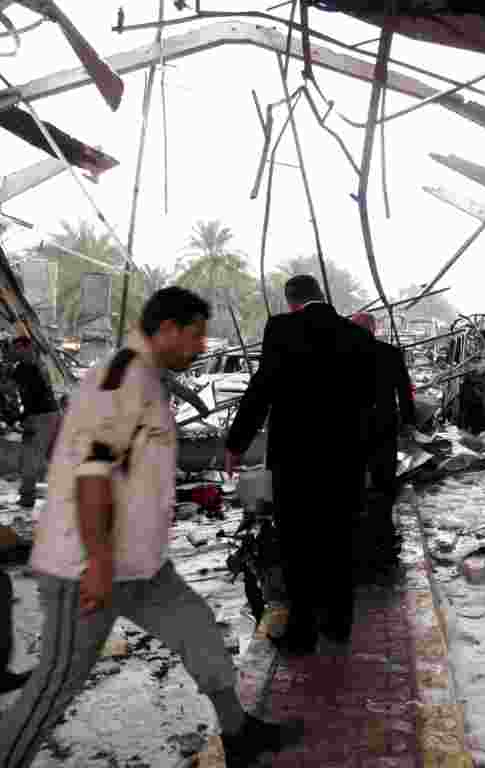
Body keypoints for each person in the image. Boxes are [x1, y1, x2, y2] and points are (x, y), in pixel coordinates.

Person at [0, 288, 304, 767]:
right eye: (195, 335)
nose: (202, 346)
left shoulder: (149, 379)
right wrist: (99, 561)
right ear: (166, 331)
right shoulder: (120, 382)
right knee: (54, 686)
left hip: (140, 567)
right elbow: (92, 474)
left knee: (200, 632)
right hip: (85, 569)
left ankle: (239, 733)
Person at [224, 275, 377, 655]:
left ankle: (303, 632)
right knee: (339, 541)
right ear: (321, 297)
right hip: (345, 461)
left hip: (297, 461)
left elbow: (262, 389)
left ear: (292, 302)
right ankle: (339, 625)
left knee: (299, 545)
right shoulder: (356, 336)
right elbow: (370, 402)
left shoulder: (282, 329)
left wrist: (236, 443)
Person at [350, 312, 416, 580]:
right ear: (373, 329)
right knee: (384, 483)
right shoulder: (389, 353)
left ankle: (357, 541)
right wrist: (409, 422)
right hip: (383, 429)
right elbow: (404, 390)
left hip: (351, 432)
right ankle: (383, 538)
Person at [9, 336, 60, 510]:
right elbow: (11, 389)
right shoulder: (21, 369)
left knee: (32, 456)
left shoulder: (35, 368)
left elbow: (36, 397)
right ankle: (28, 494)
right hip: (38, 415)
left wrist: (25, 418)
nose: (14, 351)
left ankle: (29, 496)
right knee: (31, 456)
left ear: (27, 348)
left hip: (43, 416)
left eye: (17, 348)